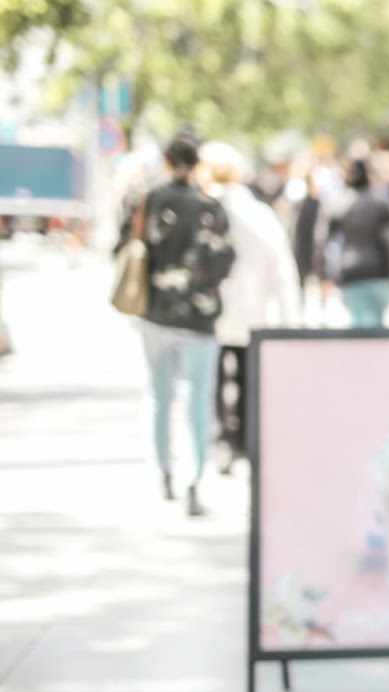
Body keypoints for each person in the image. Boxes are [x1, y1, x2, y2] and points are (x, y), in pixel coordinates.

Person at [116, 133, 236, 516]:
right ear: (196, 163)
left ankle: (164, 471)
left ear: (167, 162)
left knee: (159, 394)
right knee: (197, 399)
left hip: (155, 311)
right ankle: (194, 479)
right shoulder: (210, 208)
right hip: (198, 317)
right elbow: (225, 262)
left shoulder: (147, 200)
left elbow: (124, 248)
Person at [197, 142, 301, 473]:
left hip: (210, 311)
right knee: (246, 376)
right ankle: (241, 438)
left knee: (211, 378)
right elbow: (282, 267)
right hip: (252, 311)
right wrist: (289, 318)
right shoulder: (258, 211)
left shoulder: (204, 208)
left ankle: (220, 438)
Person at [325, 158, 389, 328]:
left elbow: (324, 239)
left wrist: (324, 273)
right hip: (377, 269)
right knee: (374, 325)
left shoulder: (339, 205)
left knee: (359, 324)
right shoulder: (378, 204)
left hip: (352, 270)